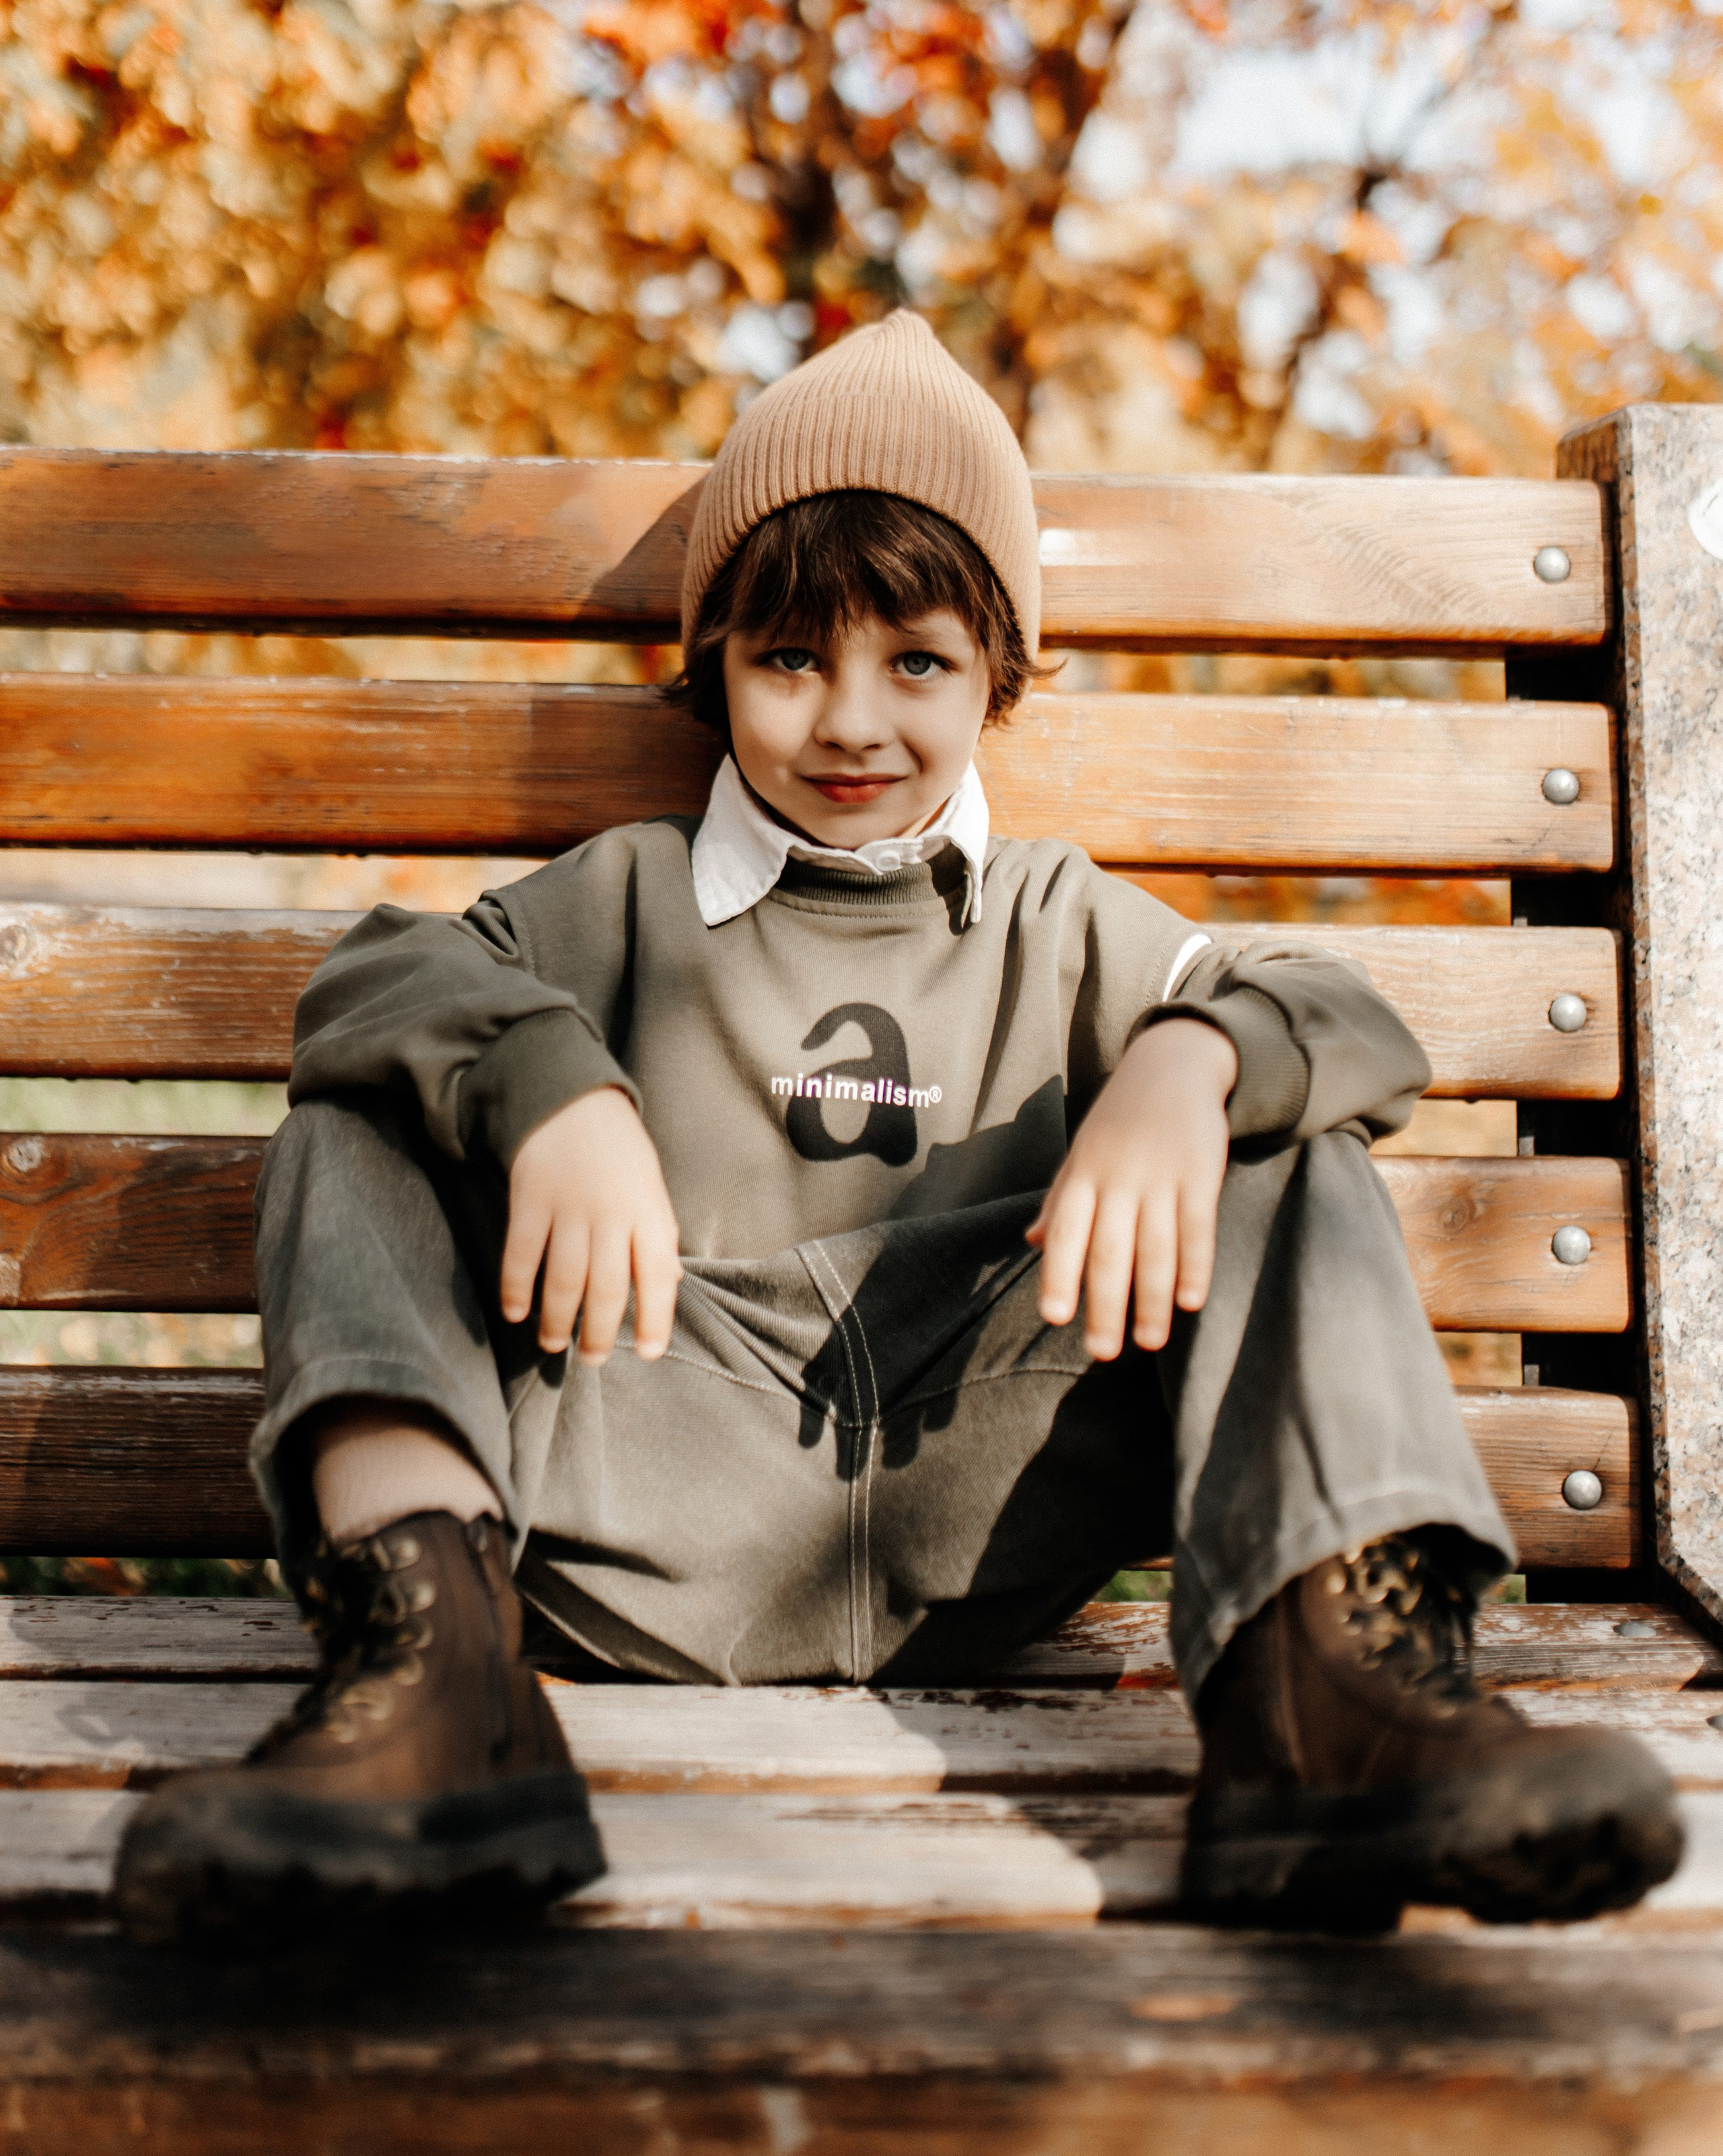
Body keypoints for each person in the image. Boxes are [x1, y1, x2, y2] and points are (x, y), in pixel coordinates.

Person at [115, 312, 1681, 1946]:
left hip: (987, 1492)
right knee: (358, 1118)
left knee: (1283, 1125)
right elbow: (374, 978)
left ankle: (1334, 1719)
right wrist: (549, 1083)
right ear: (715, 663)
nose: (850, 720)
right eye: (791, 656)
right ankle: (428, 1685)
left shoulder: (1058, 923)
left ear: (994, 669)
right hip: (640, 1492)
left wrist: (1183, 1060)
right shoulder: (624, 899)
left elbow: (1339, 1014)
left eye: (914, 660)